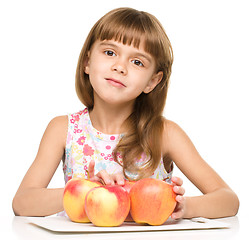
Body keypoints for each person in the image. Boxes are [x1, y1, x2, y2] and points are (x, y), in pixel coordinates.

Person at [12, 7, 239, 220]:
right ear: (87, 61)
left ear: (152, 81)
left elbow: (228, 200)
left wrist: (186, 207)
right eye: (110, 52)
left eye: (137, 62)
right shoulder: (62, 129)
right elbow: (22, 203)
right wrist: (85, 191)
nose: (120, 67)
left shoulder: (164, 134)